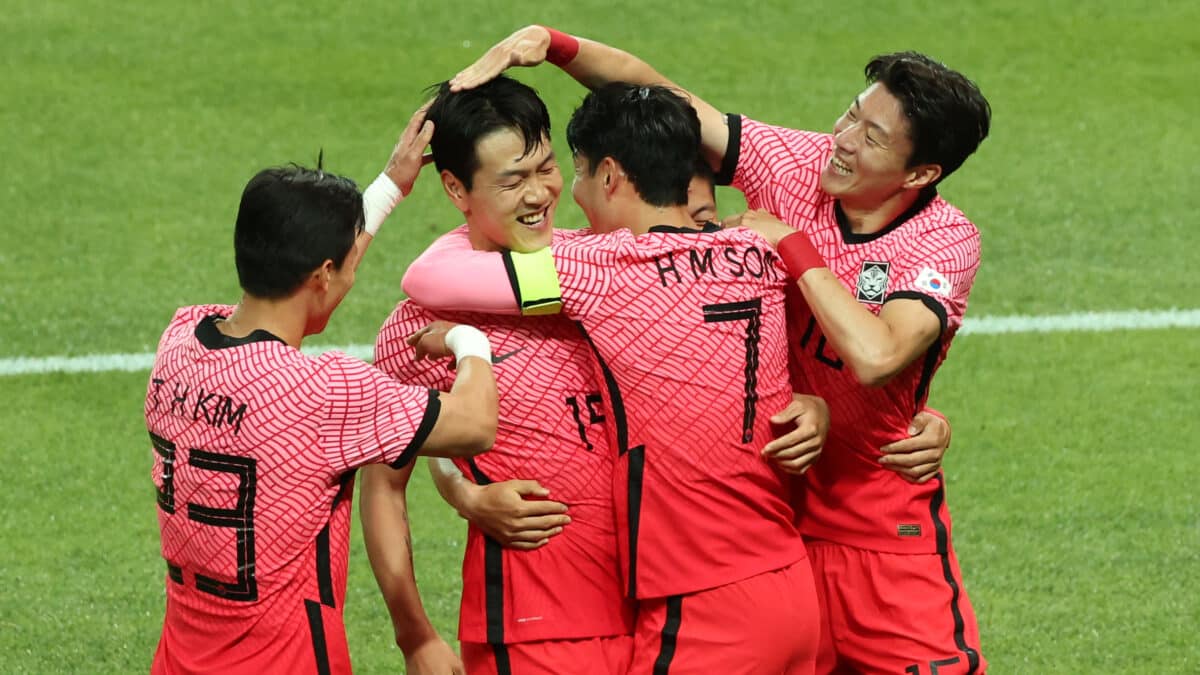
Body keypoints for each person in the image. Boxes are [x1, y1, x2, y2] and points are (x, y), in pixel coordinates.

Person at [451, 26, 990, 674]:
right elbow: (664, 100)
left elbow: (878, 356)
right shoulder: (797, 162)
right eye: (852, 112)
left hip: (876, 529)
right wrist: (554, 45)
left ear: (921, 172)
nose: (842, 139)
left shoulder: (942, 241)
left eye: (871, 137)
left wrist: (790, 243)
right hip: (770, 512)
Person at [403, 82, 824, 674]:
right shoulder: (757, 251)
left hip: (705, 603)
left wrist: (390, 192)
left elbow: (429, 277)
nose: (561, 193)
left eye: (564, 171)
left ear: (608, 176)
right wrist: (818, 404)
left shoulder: (603, 270)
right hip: (790, 583)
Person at [144, 107, 499, 675]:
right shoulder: (322, 391)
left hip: (181, 660)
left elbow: (318, 262)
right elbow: (477, 422)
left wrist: (390, 187)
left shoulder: (181, 339)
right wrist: (467, 338)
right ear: (322, 276)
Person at [368, 76, 636, 675]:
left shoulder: (606, 269)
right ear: (456, 189)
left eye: (544, 168)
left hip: (669, 610)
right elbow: (384, 485)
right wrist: (414, 635)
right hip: (538, 631)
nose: (539, 194)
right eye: (512, 181)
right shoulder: (421, 328)